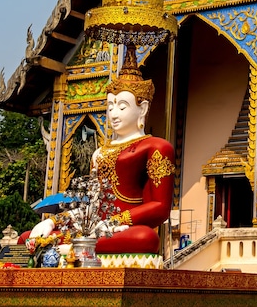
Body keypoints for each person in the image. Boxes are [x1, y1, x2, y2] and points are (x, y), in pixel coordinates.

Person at [27, 61, 174, 256]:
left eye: (122, 107)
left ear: (143, 108)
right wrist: (54, 221)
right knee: (28, 237)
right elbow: (93, 205)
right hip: (95, 230)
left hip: (124, 229)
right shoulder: (99, 153)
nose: (113, 114)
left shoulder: (157, 147)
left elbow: (160, 208)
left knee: (145, 238)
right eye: (110, 106)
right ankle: (76, 246)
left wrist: (113, 223)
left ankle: (76, 248)